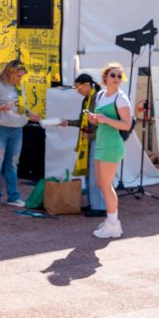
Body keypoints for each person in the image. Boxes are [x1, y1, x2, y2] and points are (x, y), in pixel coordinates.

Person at [0, 60, 42, 208]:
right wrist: (2, 107)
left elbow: (20, 108)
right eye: (18, 75)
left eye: (21, 76)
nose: (20, 78)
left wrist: (30, 114)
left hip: (16, 129)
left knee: (12, 164)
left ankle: (13, 196)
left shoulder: (19, 87)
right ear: (10, 72)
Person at [86, 62, 132, 239]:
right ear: (105, 77)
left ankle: (113, 225)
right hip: (101, 143)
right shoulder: (100, 95)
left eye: (119, 76)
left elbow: (127, 124)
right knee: (101, 184)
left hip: (112, 145)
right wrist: (94, 119)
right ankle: (111, 221)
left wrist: (104, 119)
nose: (117, 79)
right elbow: (100, 121)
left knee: (106, 185)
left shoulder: (121, 98)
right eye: (113, 75)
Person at [59, 74, 106, 217]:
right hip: (88, 138)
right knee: (88, 171)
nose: (77, 92)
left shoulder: (99, 98)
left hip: (99, 138)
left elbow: (103, 122)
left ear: (86, 85)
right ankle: (94, 203)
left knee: (94, 173)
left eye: (78, 88)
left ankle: (99, 206)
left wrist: (90, 135)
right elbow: (82, 121)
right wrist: (68, 122)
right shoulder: (87, 99)